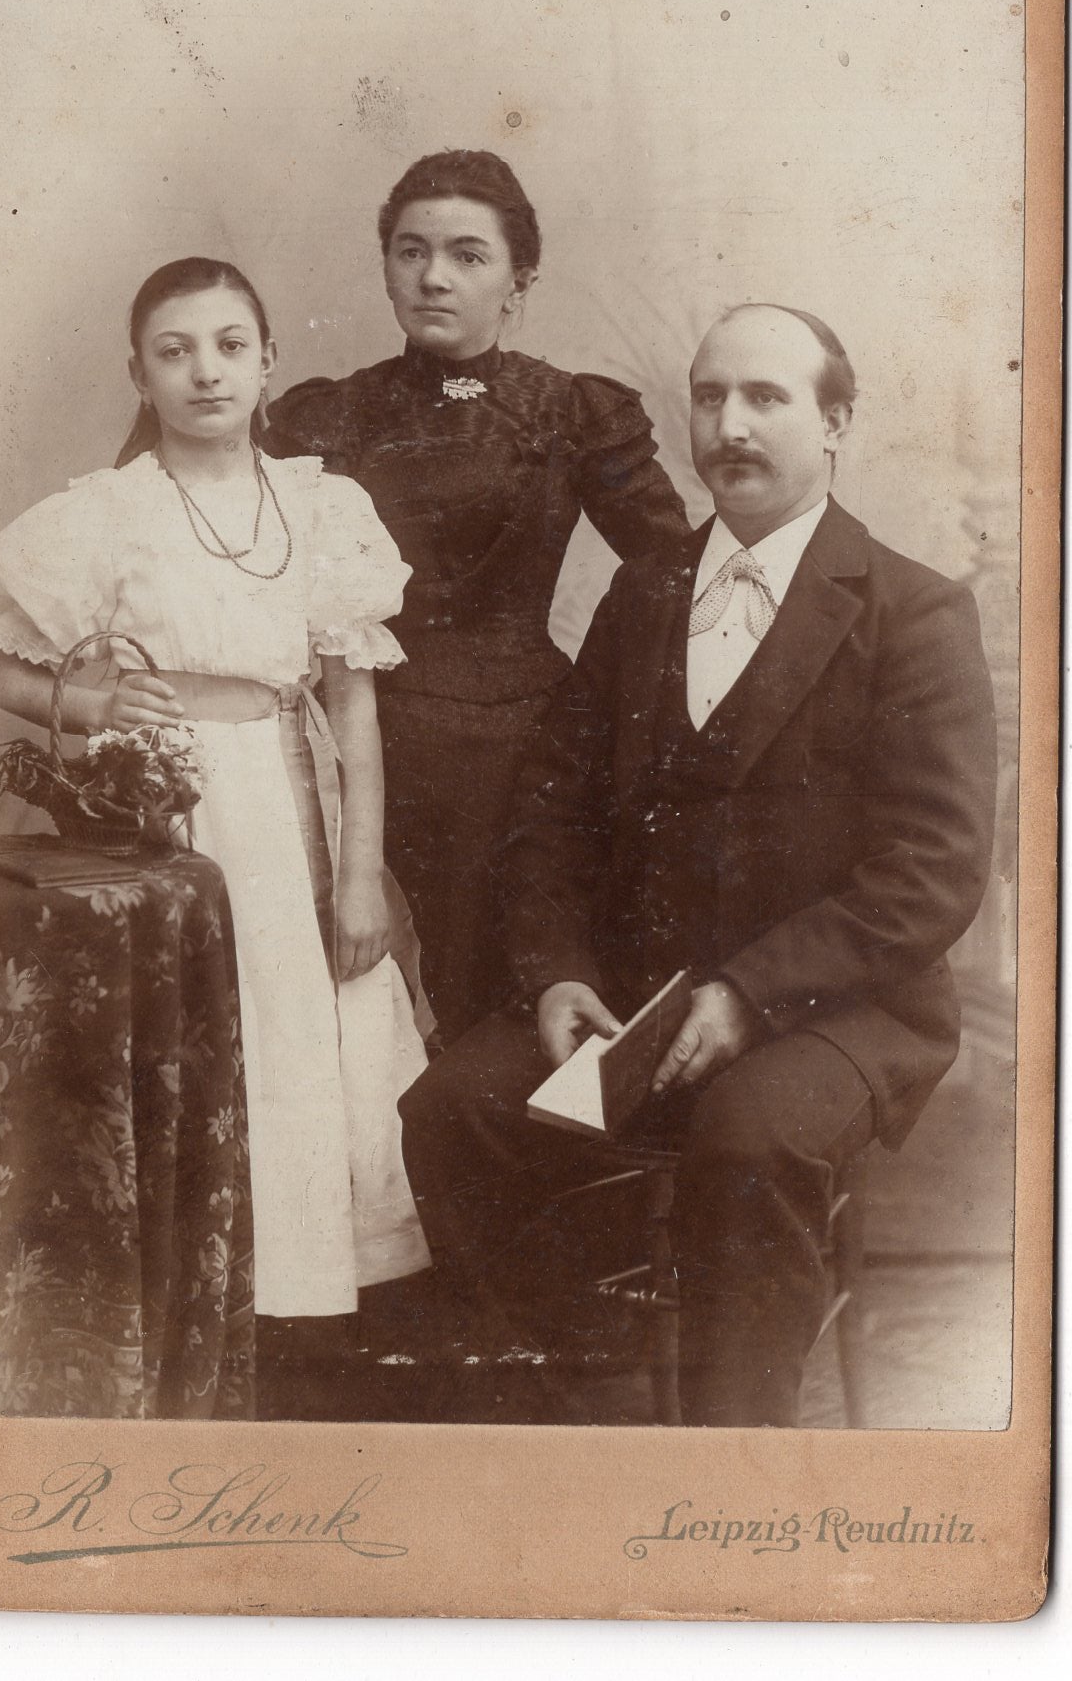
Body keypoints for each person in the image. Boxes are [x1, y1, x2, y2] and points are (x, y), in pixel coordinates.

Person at [398, 302, 999, 1427]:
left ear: (836, 423)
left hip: (836, 1007)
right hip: (637, 997)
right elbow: (550, 812)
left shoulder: (914, 611)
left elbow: (933, 869)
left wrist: (750, 992)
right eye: (710, 397)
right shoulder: (646, 590)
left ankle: (735, 1468)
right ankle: (563, 1422)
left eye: (766, 397)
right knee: (452, 1109)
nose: (730, 426)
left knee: (747, 1138)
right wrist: (558, 973)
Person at [0, 256, 434, 1419]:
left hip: (296, 802)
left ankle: (308, 1305)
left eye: (231, 346)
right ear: (138, 373)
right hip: (169, 822)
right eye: (173, 351)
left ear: (268, 362)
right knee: (208, 1041)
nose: (205, 372)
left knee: (311, 1039)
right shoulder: (108, 513)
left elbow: (353, 704)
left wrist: (359, 874)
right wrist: (92, 705)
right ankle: (203, 1301)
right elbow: (2, 675)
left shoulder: (322, 508)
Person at [264, 150, 690, 1043]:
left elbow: (674, 576)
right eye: (411, 251)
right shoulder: (331, 416)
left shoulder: (570, 411)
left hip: (518, 756)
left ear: (518, 279)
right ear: (387, 265)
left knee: (497, 1006)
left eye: (468, 255)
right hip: (357, 745)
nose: (434, 278)